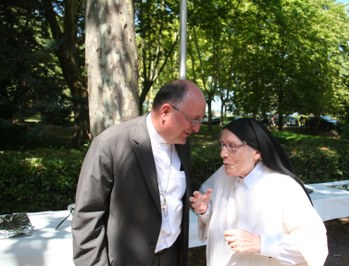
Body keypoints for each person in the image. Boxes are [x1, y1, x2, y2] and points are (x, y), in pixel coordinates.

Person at [72, 79, 206, 266]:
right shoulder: (110, 144)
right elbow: (87, 216)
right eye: (194, 119)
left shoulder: (183, 144)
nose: (197, 128)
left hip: (172, 258)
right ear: (166, 111)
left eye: (200, 120)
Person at [190, 118, 328, 266]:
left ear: (257, 152)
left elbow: (315, 244)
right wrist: (204, 210)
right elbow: (216, 220)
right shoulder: (222, 175)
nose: (222, 153)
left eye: (232, 146)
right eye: (222, 145)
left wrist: (261, 244)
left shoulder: (283, 187)